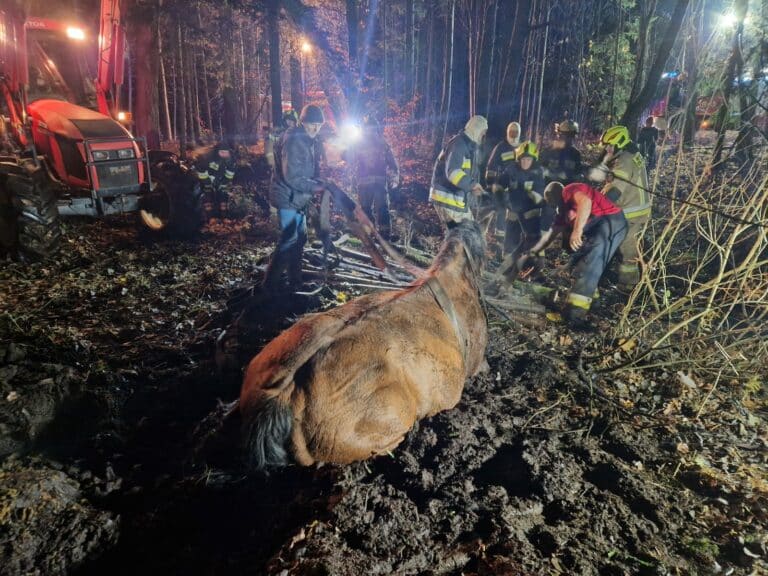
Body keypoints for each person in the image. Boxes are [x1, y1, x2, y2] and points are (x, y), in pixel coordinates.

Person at [525, 182, 628, 325]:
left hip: (612, 222)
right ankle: (594, 304)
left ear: (554, 195)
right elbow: (550, 236)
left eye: (550, 201)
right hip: (599, 227)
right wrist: (533, 252)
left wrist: (577, 231)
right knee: (581, 266)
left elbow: (585, 202)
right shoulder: (562, 212)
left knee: (590, 267)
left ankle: (574, 316)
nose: (552, 206)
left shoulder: (569, 190)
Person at [262, 104, 325, 292]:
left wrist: (319, 180)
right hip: (287, 197)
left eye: (319, 125)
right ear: (303, 122)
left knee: (300, 238)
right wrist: (316, 186)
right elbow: (292, 176)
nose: (316, 128)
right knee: (290, 239)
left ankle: (294, 282)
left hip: (297, 198)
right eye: (312, 124)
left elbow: (307, 171)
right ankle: (269, 286)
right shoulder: (294, 140)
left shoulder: (307, 140)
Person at [588, 125, 651, 289]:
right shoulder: (628, 154)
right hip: (631, 207)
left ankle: (628, 286)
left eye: (610, 146)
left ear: (619, 143)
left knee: (627, 248)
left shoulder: (624, 161)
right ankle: (611, 276)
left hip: (632, 212)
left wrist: (597, 208)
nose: (607, 149)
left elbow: (616, 190)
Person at [346, 115, 400, 240]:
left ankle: (384, 236)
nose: (370, 130)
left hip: (378, 181)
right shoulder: (359, 143)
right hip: (365, 181)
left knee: (381, 208)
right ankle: (370, 234)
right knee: (367, 209)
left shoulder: (381, 143)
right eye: (368, 128)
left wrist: (395, 177)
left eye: (372, 128)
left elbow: (391, 162)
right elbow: (350, 159)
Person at [429, 115, 488, 224]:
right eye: (483, 131)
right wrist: (473, 185)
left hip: (452, 199)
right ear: (476, 129)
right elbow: (453, 173)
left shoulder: (466, 146)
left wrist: (472, 188)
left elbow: (464, 175)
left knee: (459, 236)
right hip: (447, 199)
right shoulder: (459, 145)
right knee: (468, 234)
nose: (483, 135)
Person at [484, 121, 522, 236]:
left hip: (518, 185)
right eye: (511, 132)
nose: (513, 134)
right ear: (507, 132)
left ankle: (514, 235)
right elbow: (491, 166)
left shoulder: (523, 147)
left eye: (516, 132)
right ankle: (500, 235)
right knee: (501, 209)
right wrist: (490, 184)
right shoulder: (501, 147)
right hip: (503, 184)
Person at [540, 119, 584, 186]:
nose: (569, 138)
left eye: (571, 136)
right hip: (548, 190)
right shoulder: (548, 151)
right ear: (559, 134)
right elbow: (539, 170)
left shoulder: (575, 154)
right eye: (567, 135)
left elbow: (578, 174)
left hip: (567, 191)